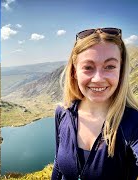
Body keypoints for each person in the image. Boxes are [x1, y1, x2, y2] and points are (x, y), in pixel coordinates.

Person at [52, 28, 138, 180]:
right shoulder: (63, 112)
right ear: (74, 72)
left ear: (121, 70)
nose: (98, 78)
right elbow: (58, 165)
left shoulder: (133, 122)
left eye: (110, 66)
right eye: (88, 67)